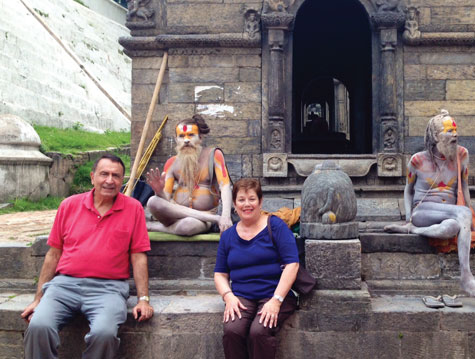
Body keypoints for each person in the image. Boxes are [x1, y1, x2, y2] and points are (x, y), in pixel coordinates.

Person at [21, 154, 153, 359]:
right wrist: (38, 298)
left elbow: (138, 256)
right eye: (104, 174)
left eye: (116, 176)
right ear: (92, 177)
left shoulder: (133, 209)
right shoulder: (69, 205)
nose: (110, 180)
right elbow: (53, 254)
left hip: (108, 288)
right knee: (38, 326)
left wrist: (143, 299)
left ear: (122, 181)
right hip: (64, 285)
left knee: (104, 333)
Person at [385, 109, 475, 296]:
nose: (455, 134)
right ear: (435, 135)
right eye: (449, 131)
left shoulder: (462, 155)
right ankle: (466, 277)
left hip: (450, 213)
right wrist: (409, 217)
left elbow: (465, 185)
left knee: (452, 226)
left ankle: (413, 231)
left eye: (455, 130)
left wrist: (470, 211)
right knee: (462, 214)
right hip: (423, 212)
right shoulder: (417, 160)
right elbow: (408, 190)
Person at [214, 178, 299, 359]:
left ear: (260, 201)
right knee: (232, 331)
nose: (247, 204)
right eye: (241, 200)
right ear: (234, 204)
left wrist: (276, 301)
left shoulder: (275, 226)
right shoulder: (228, 236)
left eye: (252, 199)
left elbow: (293, 264)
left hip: (275, 293)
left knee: (258, 332)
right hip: (242, 296)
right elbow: (220, 274)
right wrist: (228, 296)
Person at [146, 114, 233, 235]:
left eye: (191, 135)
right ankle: (215, 220)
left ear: (200, 137)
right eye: (181, 136)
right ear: (176, 140)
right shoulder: (171, 163)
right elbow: (164, 201)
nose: (186, 140)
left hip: (205, 218)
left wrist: (225, 216)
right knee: (152, 201)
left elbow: (225, 186)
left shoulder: (214, 155)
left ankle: (155, 227)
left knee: (186, 226)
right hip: (175, 215)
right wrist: (159, 191)